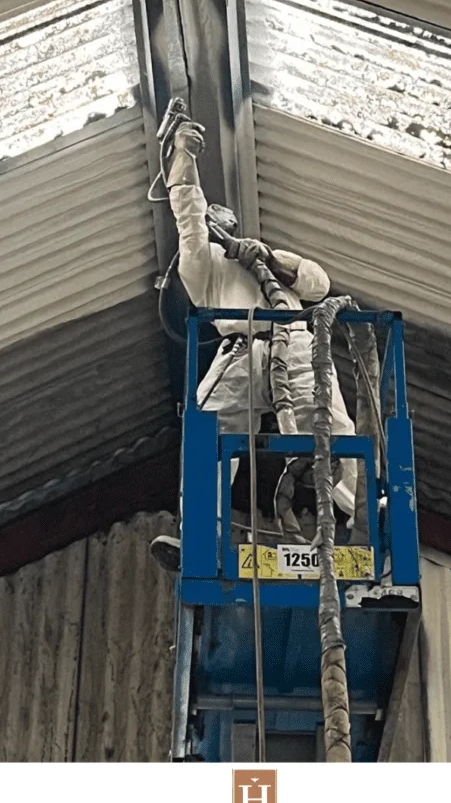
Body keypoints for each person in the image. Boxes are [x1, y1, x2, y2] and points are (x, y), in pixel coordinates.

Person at [150, 120, 357, 572]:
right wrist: (183, 158)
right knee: (207, 425)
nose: (213, 222)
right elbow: (187, 213)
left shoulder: (265, 258)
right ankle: (201, 537)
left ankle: (355, 524)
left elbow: (318, 285)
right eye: (210, 219)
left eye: (221, 218)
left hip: (298, 347)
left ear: (235, 223)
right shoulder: (203, 267)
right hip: (242, 354)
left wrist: (269, 259)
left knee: (333, 428)